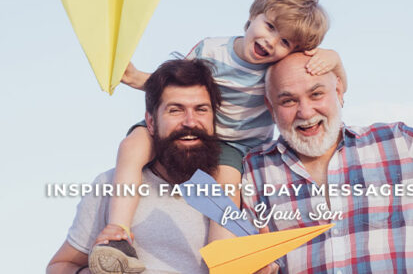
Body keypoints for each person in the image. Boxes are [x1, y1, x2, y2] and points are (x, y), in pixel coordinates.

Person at [95, 0, 348, 261]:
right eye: (271, 27)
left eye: (285, 42)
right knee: (132, 145)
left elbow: (336, 82)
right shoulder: (211, 50)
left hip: (238, 146)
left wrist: (333, 58)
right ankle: (117, 233)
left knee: (226, 190)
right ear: (253, 15)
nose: (271, 42)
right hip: (194, 129)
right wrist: (135, 78)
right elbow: (177, 87)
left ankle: (223, 260)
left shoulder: (276, 69)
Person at [241, 21, 413, 273]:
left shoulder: (395, 144)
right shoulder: (254, 173)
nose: (305, 111)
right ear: (271, 107)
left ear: (338, 91)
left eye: (316, 94)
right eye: (288, 101)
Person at [47, 59, 278, 274]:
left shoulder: (244, 192)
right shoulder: (111, 185)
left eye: (201, 109)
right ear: (150, 122)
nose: (190, 121)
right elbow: (60, 265)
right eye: (175, 110)